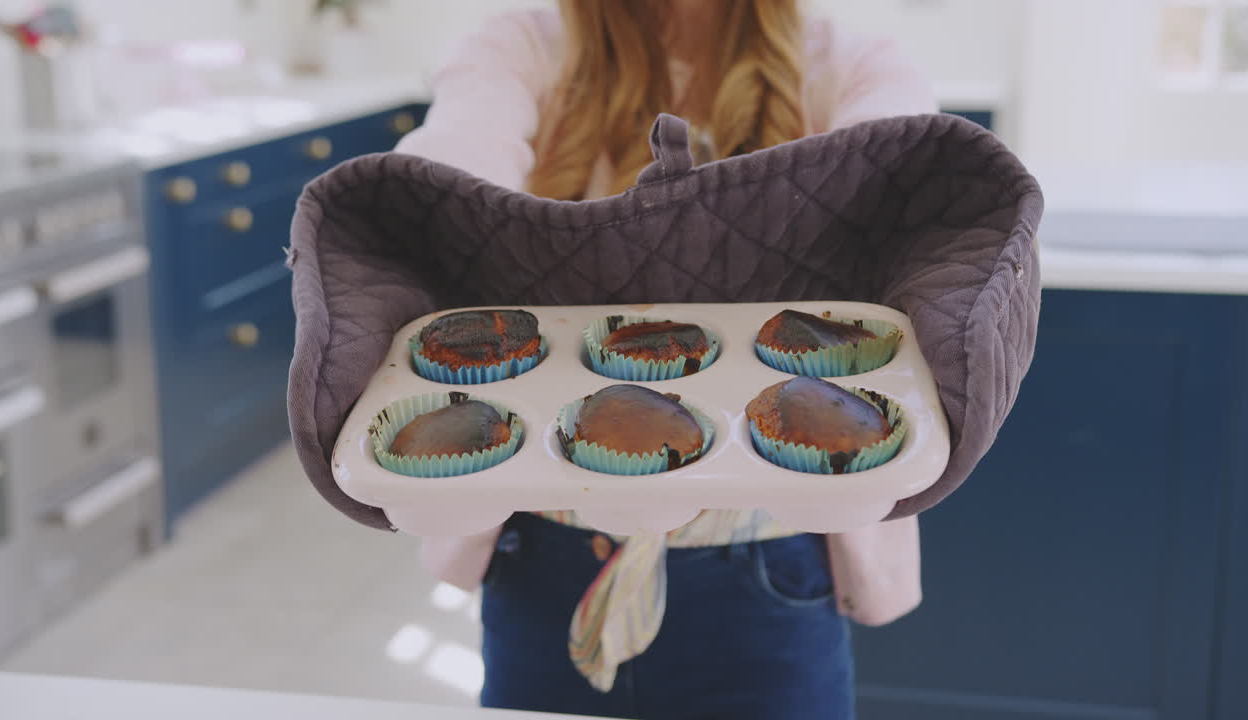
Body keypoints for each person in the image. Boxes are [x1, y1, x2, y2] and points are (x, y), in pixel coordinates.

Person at [394, 2, 936, 717]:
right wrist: (407, 220)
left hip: (773, 565)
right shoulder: (522, 46)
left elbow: (906, 183)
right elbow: (452, 168)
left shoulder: (852, 64)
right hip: (547, 556)